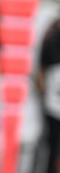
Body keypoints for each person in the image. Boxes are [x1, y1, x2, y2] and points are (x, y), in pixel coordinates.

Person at [36, 17, 60, 173]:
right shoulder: (52, 39)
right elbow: (41, 71)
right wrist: (43, 94)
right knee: (52, 147)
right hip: (54, 104)